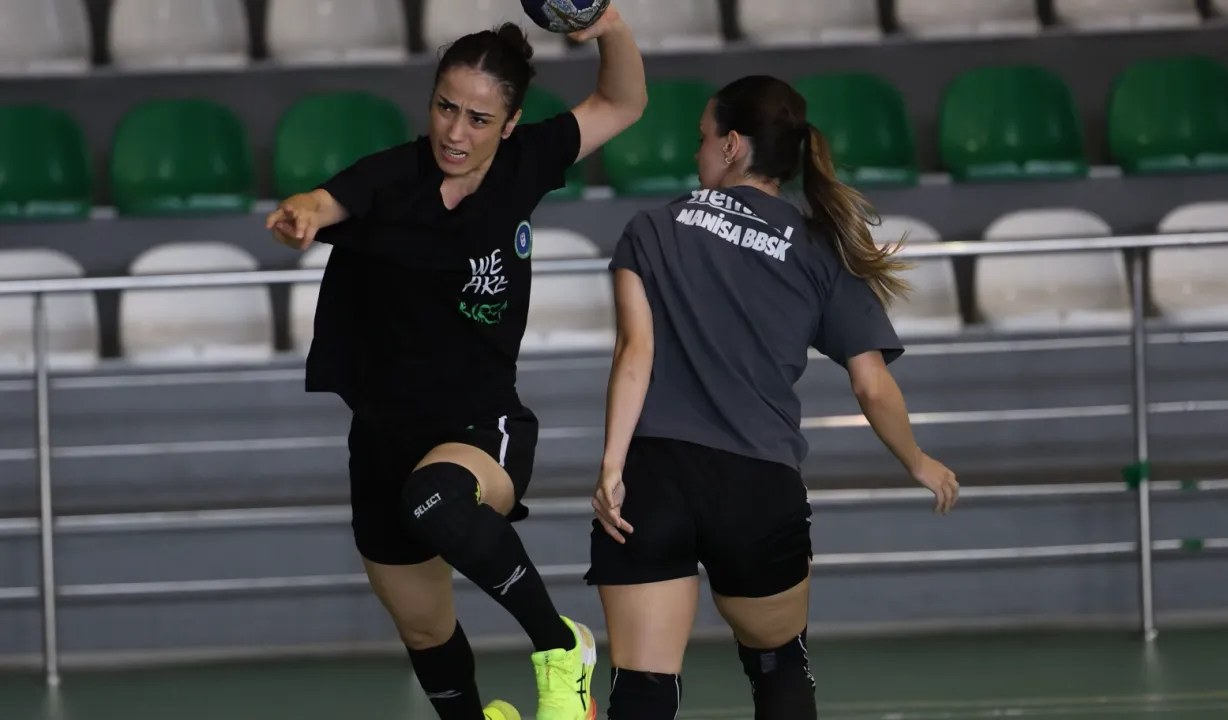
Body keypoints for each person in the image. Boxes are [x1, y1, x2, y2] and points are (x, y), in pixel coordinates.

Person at [263, 11, 646, 720]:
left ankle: (562, 647)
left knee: (435, 500)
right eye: (445, 107)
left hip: (481, 425)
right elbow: (326, 199)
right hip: (382, 439)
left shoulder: (525, 164)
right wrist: (303, 213)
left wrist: (610, 24)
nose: (456, 132)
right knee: (424, 628)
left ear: (509, 124)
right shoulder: (390, 179)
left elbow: (622, 103)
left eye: (478, 118)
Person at [584, 74, 961, 720]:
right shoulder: (818, 248)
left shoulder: (651, 228)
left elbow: (633, 354)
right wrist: (917, 460)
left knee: (643, 688)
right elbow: (871, 383)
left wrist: (613, 468)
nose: (696, 153)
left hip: (652, 480)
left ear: (732, 145)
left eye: (702, 139)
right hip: (756, 486)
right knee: (778, 663)